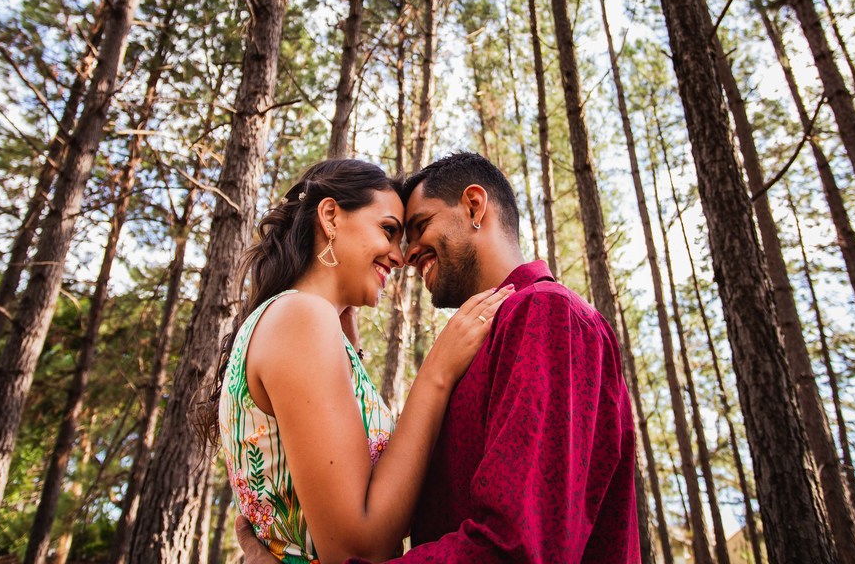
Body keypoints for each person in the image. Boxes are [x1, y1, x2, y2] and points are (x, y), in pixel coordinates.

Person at [238, 151, 640, 562]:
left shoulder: (547, 314)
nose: (407, 255)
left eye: (418, 227)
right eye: (395, 233)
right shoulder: (480, 343)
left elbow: (516, 548)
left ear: (473, 206)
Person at [198, 157, 514, 564]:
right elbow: (357, 550)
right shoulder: (302, 317)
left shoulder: (299, 320)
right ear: (330, 216)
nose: (400, 258)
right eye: (388, 230)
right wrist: (436, 372)